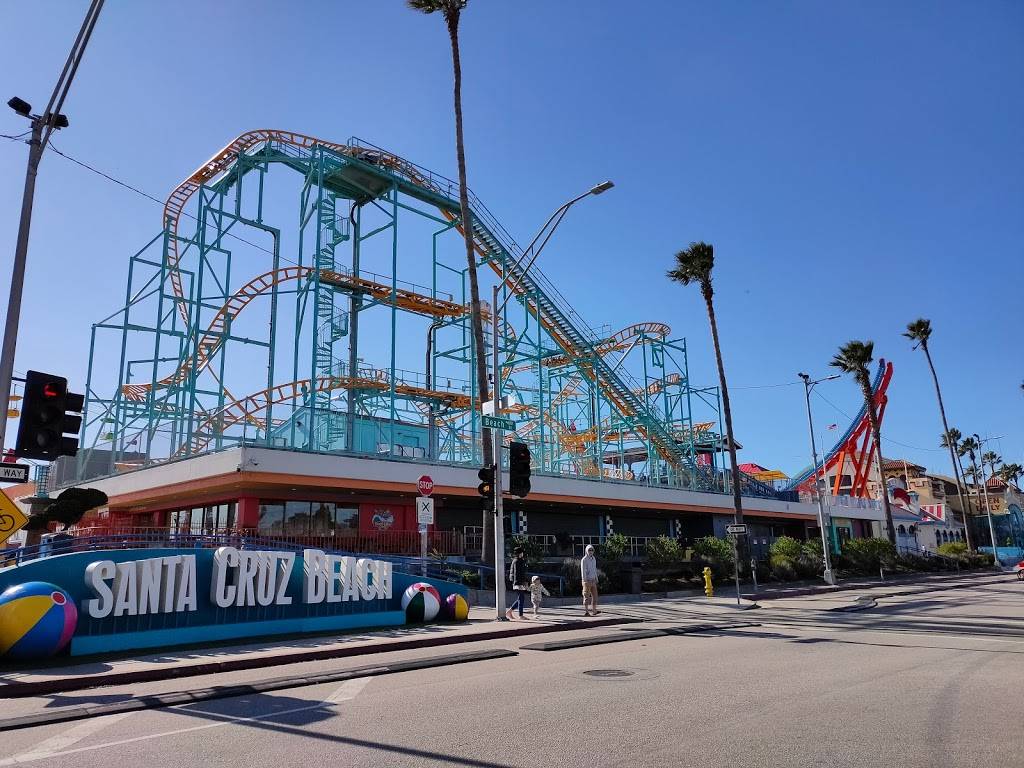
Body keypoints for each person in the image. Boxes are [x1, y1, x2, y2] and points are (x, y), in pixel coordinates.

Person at [506, 547, 529, 620]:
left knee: (520, 598)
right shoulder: (517, 561)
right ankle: (520, 615)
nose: (523, 554)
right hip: (518, 582)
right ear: (519, 553)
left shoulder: (518, 560)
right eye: (522, 552)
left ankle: (510, 611)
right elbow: (517, 573)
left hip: (518, 581)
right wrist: (521, 582)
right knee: (521, 598)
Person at [580, 544, 600, 616]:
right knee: (586, 596)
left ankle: (594, 610)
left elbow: (594, 569)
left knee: (595, 596)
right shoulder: (584, 559)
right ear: (586, 551)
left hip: (593, 580)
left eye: (592, 550)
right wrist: (585, 580)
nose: (591, 551)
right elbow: (583, 571)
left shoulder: (594, 559)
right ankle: (586, 611)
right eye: (589, 550)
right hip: (587, 581)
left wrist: (596, 578)